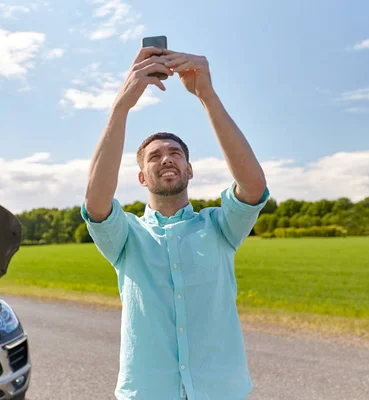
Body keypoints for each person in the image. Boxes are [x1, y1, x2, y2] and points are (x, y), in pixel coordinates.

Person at [81, 45, 270, 400]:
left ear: (189, 169)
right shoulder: (127, 237)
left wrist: (207, 95)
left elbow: (253, 187)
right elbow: (96, 203)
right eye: (154, 156)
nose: (166, 159)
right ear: (141, 177)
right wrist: (122, 105)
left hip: (220, 392)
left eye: (175, 153)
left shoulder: (219, 228)